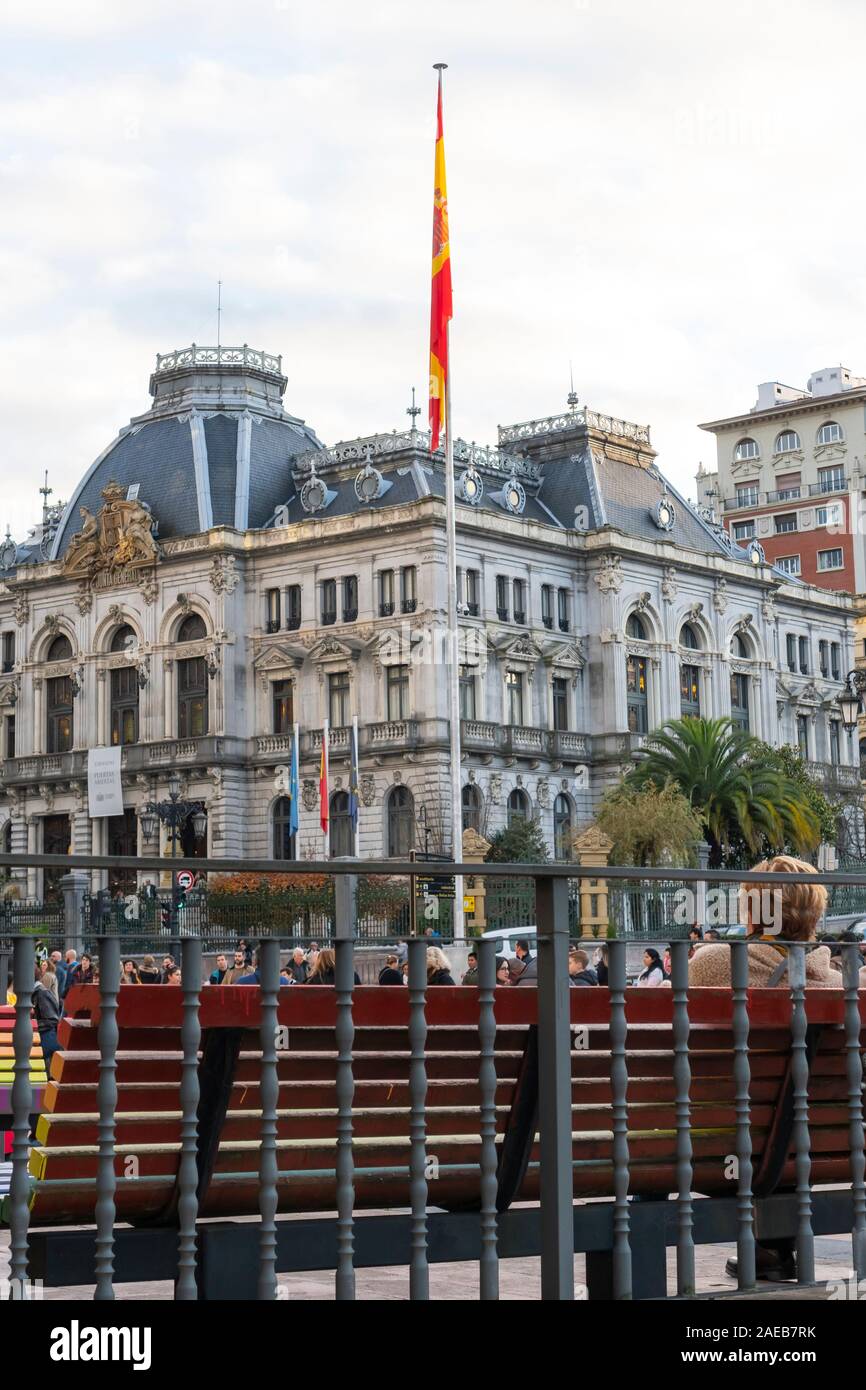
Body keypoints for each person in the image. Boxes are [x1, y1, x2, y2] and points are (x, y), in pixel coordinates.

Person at [689, 855, 840, 1283]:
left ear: (753, 909)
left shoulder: (711, 964)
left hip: (707, 1153)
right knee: (789, 1122)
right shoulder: (838, 984)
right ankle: (773, 1248)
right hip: (817, 1152)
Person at [32, 969, 62, 1069]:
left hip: (44, 1040)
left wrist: (32, 1026)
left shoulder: (41, 993)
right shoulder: (37, 992)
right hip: (39, 1040)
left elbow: (52, 1019)